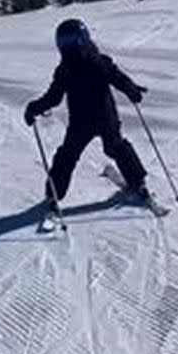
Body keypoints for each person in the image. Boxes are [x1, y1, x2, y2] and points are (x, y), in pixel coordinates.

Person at [24, 18, 150, 211]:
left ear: (82, 39)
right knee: (81, 152)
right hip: (91, 120)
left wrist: (132, 90)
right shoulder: (74, 68)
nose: (69, 47)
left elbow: (118, 79)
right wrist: (35, 107)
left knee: (104, 148)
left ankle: (137, 182)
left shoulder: (91, 64)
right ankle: (55, 193)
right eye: (65, 42)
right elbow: (54, 97)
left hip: (95, 119)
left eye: (71, 41)